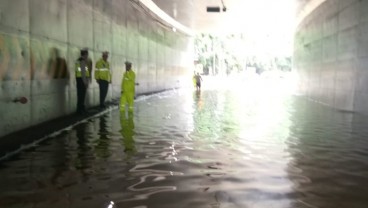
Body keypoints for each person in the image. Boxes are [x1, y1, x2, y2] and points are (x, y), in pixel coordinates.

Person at [75, 48, 91, 114]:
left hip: (78, 79)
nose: (87, 56)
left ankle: (80, 109)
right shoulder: (82, 61)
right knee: (82, 95)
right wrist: (85, 82)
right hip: (82, 80)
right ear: (84, 54)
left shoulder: (78, 60)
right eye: (87, 54)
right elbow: (83, 73)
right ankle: (80, 110)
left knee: (80, 95)